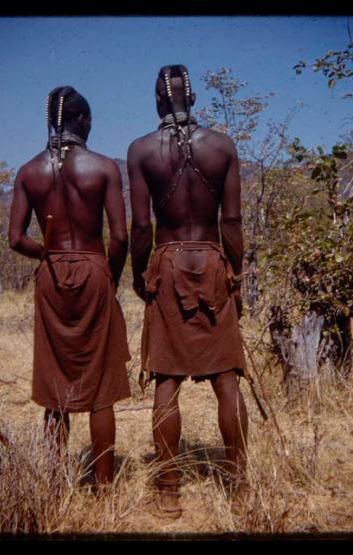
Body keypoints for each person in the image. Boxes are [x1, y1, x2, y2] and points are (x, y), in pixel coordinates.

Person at [128, 65, 249, 518]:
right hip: (214, 260)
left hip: (168, 259)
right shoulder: (222, 146)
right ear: (192, 99)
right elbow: (231, 222)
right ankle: (237, 484)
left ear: (158, 102)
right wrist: (234, 275)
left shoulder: (141, 150)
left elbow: (141, 226)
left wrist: (143, 276)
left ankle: (168, 491)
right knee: (226, 378)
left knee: (166, 379)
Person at [8, 86, 131, 487]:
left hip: (52, 275)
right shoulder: (104, 167)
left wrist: (47, 254)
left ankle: (54, 482)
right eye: (90, 120)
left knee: (54, 381)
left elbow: (15, 239)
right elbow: (120, 238)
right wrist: (109, 275)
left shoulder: (28, 171)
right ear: (82, 121)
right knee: (101, 386)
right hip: (95, 269)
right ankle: (105, 487)